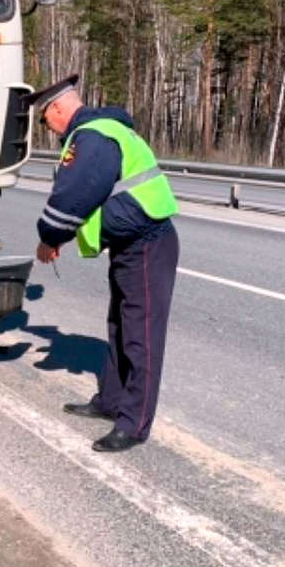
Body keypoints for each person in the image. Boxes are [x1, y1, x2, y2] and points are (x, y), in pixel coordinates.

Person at [26, 74, 180, 453]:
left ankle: (134, 423)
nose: (48, 129)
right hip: (130, 245)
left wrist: (50, 236)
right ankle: (110, 401)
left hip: (148, 243)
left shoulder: (92, 137)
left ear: (59, 109)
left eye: (46, 120)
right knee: (119, 327)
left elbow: (75, 194)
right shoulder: (96, 132)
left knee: (141, 336)